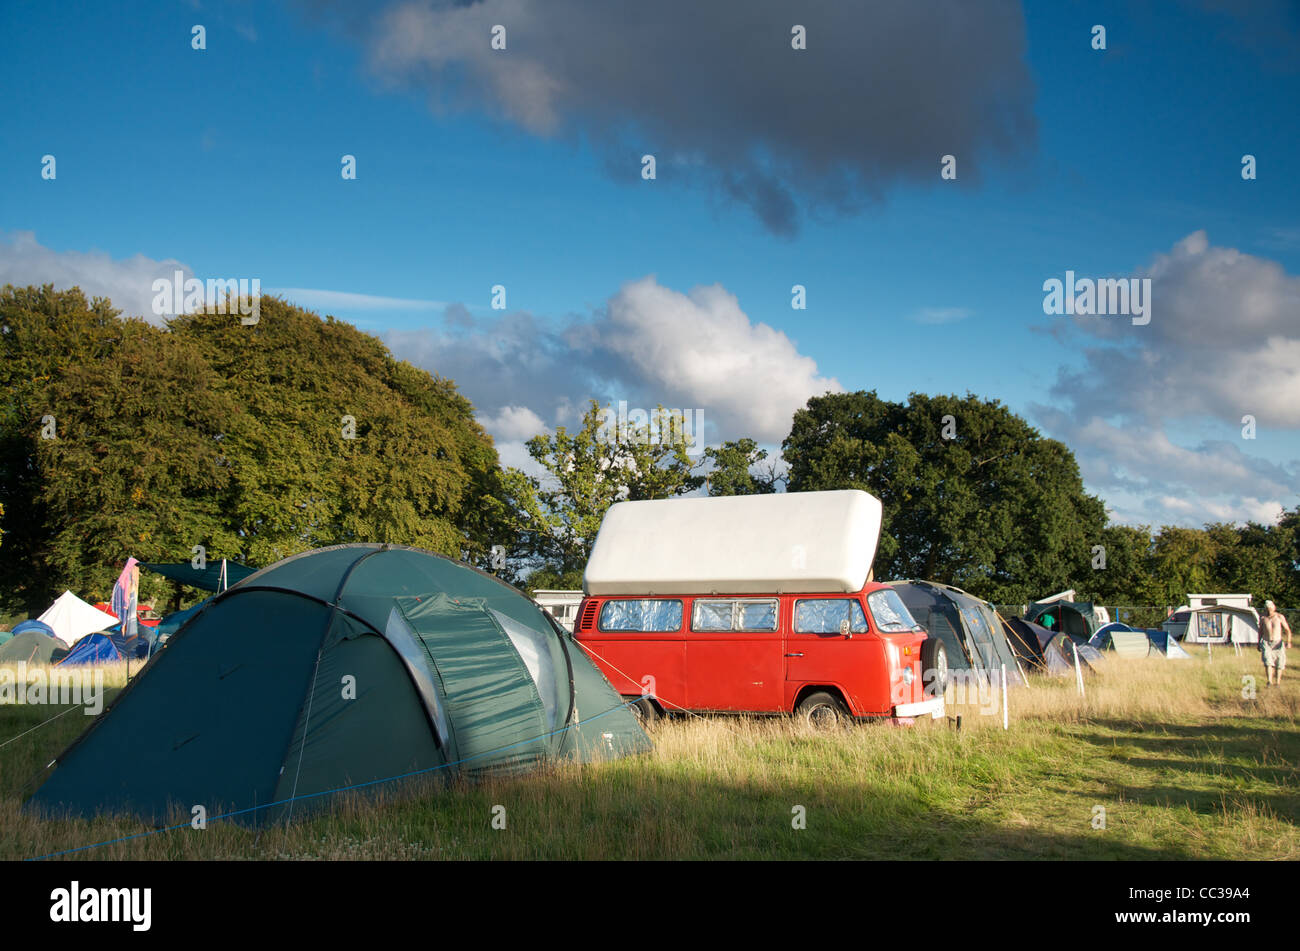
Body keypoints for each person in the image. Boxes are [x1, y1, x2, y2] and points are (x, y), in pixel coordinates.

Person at [1260, 600, 1292, 686]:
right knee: (1267, 662)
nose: (1269, 610)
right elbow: (1260, 631)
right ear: (1265, 609)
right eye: (1267, 608)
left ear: (1274, 608)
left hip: (1278, 642)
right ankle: (1269, 681)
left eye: (1270, 608)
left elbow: (1287, 630)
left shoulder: (1279, 617)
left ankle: (1277, 682)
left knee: (1279, 663)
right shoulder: (1263, 618)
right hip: (1266, 642)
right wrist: (1258, 642)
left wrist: (1288, 642)